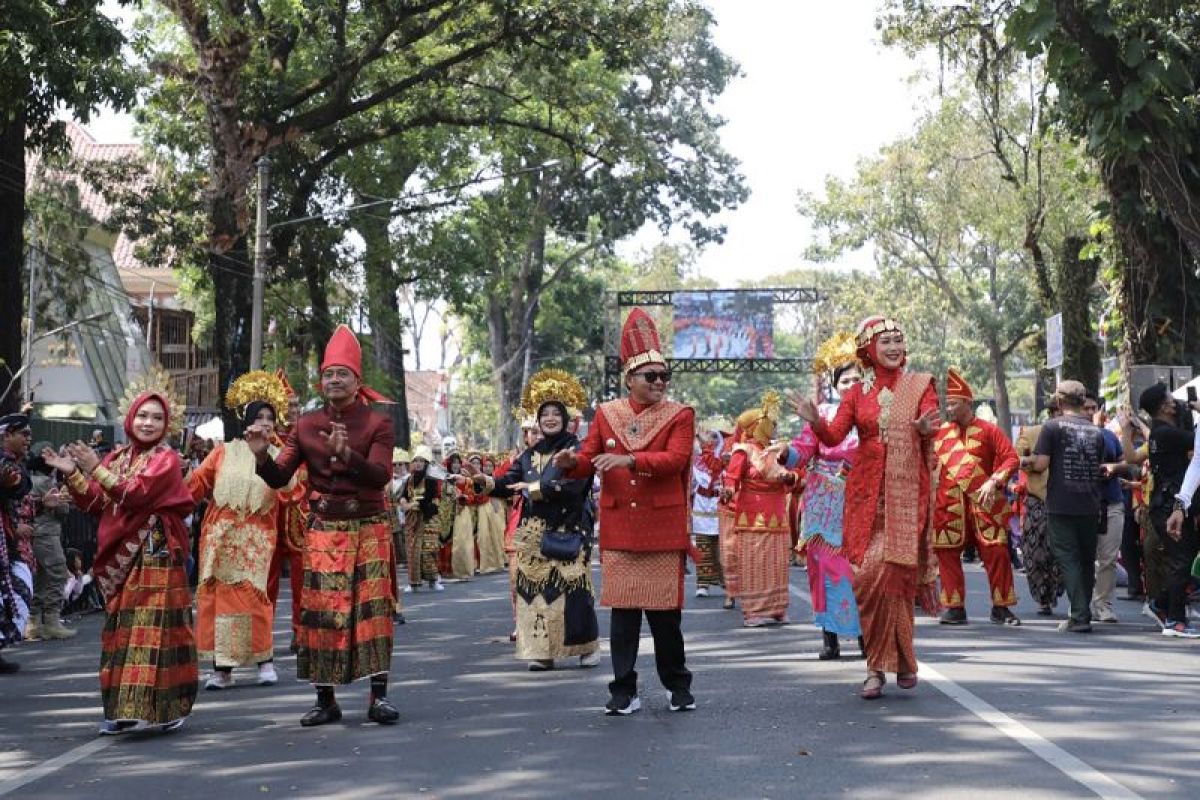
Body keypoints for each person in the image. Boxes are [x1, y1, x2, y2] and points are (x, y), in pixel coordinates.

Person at [250, 324, 399, 726]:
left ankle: (378, 697)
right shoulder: (304, 425)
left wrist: (347, 454)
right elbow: (280, 478)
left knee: (371, 612)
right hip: (323, 528)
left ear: (357, 381)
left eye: (342, 374)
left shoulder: (377, 423)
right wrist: (262, 456)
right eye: (328, 374)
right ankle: (325, 699)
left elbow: (381, 476)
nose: (334, 380)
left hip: (368, 525)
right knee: (320, 612)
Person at [554, 308, 696, 715]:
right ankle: (623, 689)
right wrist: (570, 463)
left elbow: (676, 459)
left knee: (665, 615)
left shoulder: (679, 415)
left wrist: (631, 461)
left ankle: (677, 683)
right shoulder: (607, 413)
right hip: (621, 525)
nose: (659, 383)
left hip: (661, 526)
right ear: (629, 379)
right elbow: (589, 457)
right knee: (624, 615)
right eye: (650, 376)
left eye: (663, 376)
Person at [794, 316, 940, 700]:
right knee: (865, 577)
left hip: (907, 492)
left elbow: (931, 425)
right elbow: (835, 434)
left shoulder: (920, 386)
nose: (893, 347)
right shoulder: (855, 393)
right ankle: (877, 663)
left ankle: (895, 663)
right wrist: (815, 422)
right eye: (885, 341)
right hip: (863, 494)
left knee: (896, 575)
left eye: (898, 339)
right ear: (868, 349)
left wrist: (925, 429)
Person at [44, 372, 198, 733]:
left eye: (157, 418)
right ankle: (124, 708)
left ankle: (168, 706)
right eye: (143, 415)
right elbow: (100, 503)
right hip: (122, 558)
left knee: (156, 631)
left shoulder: (166, 460)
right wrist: (74, 476)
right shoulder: (117, 457)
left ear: (167, 424)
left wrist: (95, 468)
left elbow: (138, 494)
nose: (149, 423)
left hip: (157, 552)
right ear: (130, 418)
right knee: (122, 630)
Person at [466, 368, 600, 670]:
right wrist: (483, 480)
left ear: (566, 418)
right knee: (534, 592)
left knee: (574, 592)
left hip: (569, 529)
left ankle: (586, 647)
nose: (550, 418)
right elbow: (507, 482)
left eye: (556, 413)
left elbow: (574, 487)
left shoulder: (577, 450)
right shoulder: (528, 456)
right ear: (537, 420)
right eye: (544, 414)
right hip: (532, 533)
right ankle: (541, 651)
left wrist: (535, 489)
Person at [188, 371, 296, 689]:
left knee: (254, 598)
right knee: (219, 602)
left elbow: (292, 492)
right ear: (246, 419)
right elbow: (194, 487)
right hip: (218, 539)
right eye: (258, 416)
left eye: (269, 417)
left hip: (256, 540)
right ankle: (222, 669)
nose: (264, 422)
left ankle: (264, 661)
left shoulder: (279, 456)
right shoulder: (223, 452)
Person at [791, 333, 863, 660]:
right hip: (824, 505)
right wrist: (785, 457)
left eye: (857, 378)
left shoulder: (875, 413)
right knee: (824, 571)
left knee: (861, 569)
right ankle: (830, 636)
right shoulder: (821, 414)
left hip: (862, 499)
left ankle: (866, 635)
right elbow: (804, 449)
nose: (852, 384)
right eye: (845, 380)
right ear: (835, 386)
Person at [933, 368, 1021, 626]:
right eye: (947, 403)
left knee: (997, 553)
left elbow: (1011, 458)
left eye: (954, 403)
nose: (949, 408)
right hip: (948, 507)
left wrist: (995, 481)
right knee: (947, 555)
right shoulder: (941, 434)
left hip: (984, 506)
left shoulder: (988, 430)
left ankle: (1001, 607)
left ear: (967, 402)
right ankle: (954, 607)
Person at [1031, 380, 1107, 634]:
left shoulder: (1052, 427)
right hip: (1090, 503)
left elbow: (1041, 464)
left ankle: (1079, 615)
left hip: (1061, 503)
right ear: (1083, 401)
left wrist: (1023, 462)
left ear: (1060, 401)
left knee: (1069, 558)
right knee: (1086, 559)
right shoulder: (1096, 431)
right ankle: (1081, 612)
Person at [722, 391, 797, 627]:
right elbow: (732, 478)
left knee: (777, 562)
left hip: (777, 514)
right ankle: (753, 611)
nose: (775, 429)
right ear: (759, 426)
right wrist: (727, 491)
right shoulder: (743, 451)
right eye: (771, 425)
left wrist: (789, 477)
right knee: (754, 563)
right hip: (751, 515)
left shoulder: (778, 452)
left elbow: (797, 475)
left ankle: (777, 609)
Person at [1138, 384, 1200, 638]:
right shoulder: (1164, 433)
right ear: (1164, 406)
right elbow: (1195, 447)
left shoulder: (1160, 432)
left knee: (1185, 559)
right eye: (1170, 398)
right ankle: (1175, 619)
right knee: (1181, 560)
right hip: (1170, 506)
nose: (1175, 401)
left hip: (1170, 504)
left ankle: (1161, 604)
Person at [267, 368, 309, 652]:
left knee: (301, 581)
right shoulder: (265, 441)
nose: (293, 410)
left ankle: (301, 631)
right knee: (265, 581)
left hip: (300, 515)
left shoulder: (306, 437)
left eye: (296, 406)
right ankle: (262, 637)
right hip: (269, 514)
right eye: (287, 406)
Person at [1015, 400, 1063, 615]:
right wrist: (1034, 460)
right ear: (1053, 413)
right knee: (1035, 553)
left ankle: (1060, 594)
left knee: (1062, 553)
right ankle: (1042, 598)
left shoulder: (1077, 433)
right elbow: (1016, 458)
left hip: (1066, 501)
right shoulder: (1032, 433)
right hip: (1038, 501)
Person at [25, 443, 76, 640]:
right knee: (57, 573)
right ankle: (52, 621)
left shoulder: (28, 480)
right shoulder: (48, 483)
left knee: (38, 578)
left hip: (32, 535)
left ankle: (33, 623)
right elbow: (62, 511)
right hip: (48, 535)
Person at [1084, 392, 1125, 624]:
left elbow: (1125, 462)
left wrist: (1113, 467)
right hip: (1082, 506)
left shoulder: (1110, 436)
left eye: (1094, 408)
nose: (1090, 413)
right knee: (1084, 558)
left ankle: (1103, 604)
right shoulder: (1068, 435)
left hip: (1111, 503)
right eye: (1086, 408)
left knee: (1108, 558)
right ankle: (1080, 604)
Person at [0, 414, 35, 674]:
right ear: (6, 434)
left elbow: (19, 487)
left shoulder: (12, 465)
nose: (28, 439)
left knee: (18, 590)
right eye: (23, 433)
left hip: (6, 541)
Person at [399, 446, 453, 593]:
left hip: (428, 518)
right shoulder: (409, 480)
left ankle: (433, 580)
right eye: (415, 461)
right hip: (413, 520)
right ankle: (413, 583)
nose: (418, 464)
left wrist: (418, 504)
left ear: (426, 463)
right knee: (412, 551)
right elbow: (403, 496)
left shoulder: (431, 480)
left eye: (421, 461)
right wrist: (405, 503)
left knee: (428, 550)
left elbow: (433, 500)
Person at [691, 424, 725, 598]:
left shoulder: (726, 458)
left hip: (721, 505)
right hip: (702, 506)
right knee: (703, 547)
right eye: (706, 437)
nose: (708, 440)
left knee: (722, 549)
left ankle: (726, 582)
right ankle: (702, 583)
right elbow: (699, 482)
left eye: (712, 437)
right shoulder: (697, 461)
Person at [473, 454, 508, 574]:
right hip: (483, 507)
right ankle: (485, 564)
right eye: (485, 466)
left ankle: (499, 562)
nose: (487, 468)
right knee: (483, 536)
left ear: (493, 467)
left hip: (496, 507)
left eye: (490, 466)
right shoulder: (478, 479)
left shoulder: (497, 479)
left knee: (498, 534)